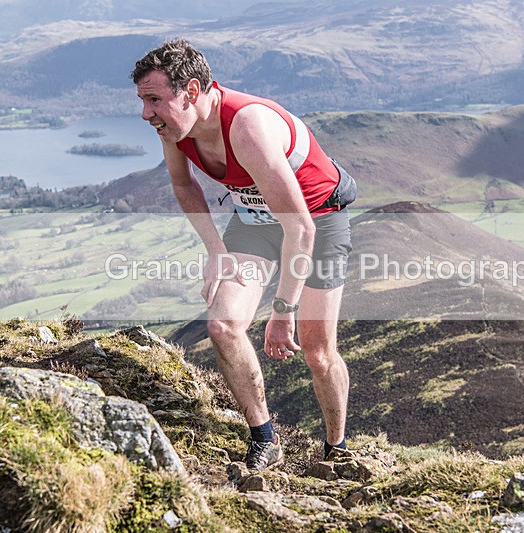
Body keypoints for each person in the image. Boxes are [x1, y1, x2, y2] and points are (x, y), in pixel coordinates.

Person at [131, 39, 356, 470]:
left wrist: (282, 310)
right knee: (223, 324)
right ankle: (264, 439)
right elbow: (183, 186)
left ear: (192, 91)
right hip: (255, 222)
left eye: (155, 100)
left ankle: (336, 450)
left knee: (316, 351)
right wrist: (216, 250)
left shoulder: (247, 127)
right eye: (143, 101)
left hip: (317, 221)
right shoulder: (175, 129)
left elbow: (300, 228)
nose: (147, 114)